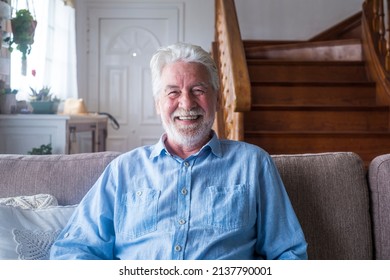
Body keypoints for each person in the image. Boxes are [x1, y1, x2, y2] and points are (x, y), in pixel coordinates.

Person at [50, 42, 307, 260]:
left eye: (198, 90)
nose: (186, 103)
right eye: (173, 92)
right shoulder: (124, 170)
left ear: (217, 99)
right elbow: (72, 250)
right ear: (157, 103)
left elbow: (288, 252)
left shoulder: (253, 164)